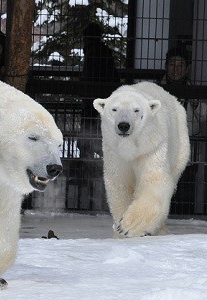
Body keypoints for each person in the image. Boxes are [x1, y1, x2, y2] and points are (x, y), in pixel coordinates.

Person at [161, 46, 207, 214]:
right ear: (166, 66)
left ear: (187, 68)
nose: (176, 69)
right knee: (163, 194)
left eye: (180, 65)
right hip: (163, 153)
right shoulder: (155, 91)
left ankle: (185, 233)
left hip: (189, 153)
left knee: (186, 194)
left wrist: (195, 102)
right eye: (172, 64)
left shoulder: (195, 90)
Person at [76, 22, 120, 211]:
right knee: (102, 151)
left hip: (92, 110)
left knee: (89, 150)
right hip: (102, 110)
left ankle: (90, 199)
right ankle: (100, 199)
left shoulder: (92, 54)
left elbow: (90, 80)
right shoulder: (104, 53)